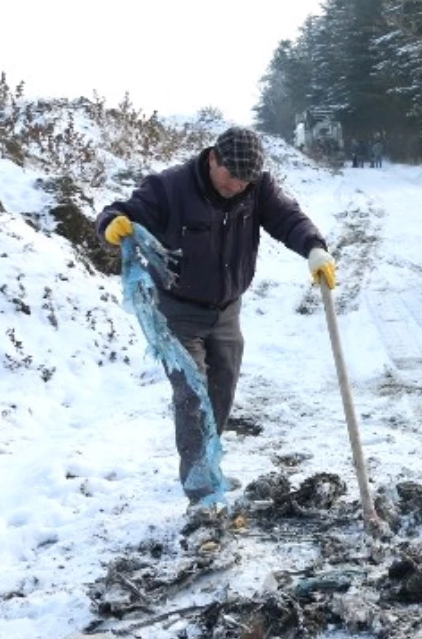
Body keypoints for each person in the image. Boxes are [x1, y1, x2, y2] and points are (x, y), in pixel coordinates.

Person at [96, 126, 337, 505]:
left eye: (246, 179)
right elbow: (120, 213)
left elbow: (288, 219)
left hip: (227, 311)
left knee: (220, 393)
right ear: (212, 158)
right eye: (231, 175)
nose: (238, 185)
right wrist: (111, 225)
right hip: (177, 312)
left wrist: (314, 248)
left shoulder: (257, 187)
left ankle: (207, 463)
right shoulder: (170, 188)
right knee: (192, 396)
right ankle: (202, 493)